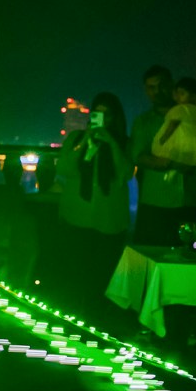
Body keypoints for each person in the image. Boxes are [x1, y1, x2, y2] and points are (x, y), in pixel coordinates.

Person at [53, 91, 134, 307]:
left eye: (107, 115)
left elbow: (125, 173)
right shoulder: (76, 139)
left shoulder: (124, 143)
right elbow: (64, 168)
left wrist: (111, 143)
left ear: (116, 118)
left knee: (104, 276)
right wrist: (87, 139)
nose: (102, 120)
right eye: (98, 114)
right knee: (76, 275)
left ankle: (101, 318)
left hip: (109, 221)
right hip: (77, 217)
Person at [130, 65, 192, 245]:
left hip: (187, 200)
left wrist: (160, 161)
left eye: (161, 85)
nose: (157, 91)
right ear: (146, 90)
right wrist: (175, 163)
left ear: (172, 85)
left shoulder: (191, 116)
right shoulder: (143, 122)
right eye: (151, 87)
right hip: (153, 202)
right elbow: (137, 156)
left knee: (189, 251)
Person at [151, 77, 196, 177]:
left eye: (182, 94)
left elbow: (173, 125)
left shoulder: (181, 109)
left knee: (178, 156)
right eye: (177, 93)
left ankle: (175, 174)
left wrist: (164, 137)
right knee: (192, 156)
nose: (177, 97)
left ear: (193, 96)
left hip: (183, 139)